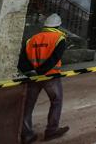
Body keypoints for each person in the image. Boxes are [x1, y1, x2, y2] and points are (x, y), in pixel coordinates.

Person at [18, 13, 70, 143]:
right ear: (58, 25)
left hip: (33, 77)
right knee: (56, 101)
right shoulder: (59, 38)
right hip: (51, 76)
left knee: (28, 105)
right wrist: (42, 72)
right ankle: (51, 130)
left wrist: (33, 72)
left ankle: (27, 135)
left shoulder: (32, 39)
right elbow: (54, 59)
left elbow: (22, 63)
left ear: (45, 25)